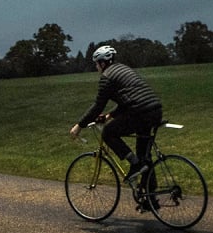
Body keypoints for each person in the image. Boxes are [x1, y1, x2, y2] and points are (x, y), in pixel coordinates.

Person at [69, 45, 163, 182]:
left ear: (102, 63)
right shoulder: (125, 69)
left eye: (96, 64)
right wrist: (109, 116)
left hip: (140, 114)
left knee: (108, 132)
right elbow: (127, 101)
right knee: (144, 157)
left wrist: (79, 126)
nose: (96, 67)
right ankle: (149, 199)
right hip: (155, 110)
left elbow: (97, 106)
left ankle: (135, 164)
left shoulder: (107, 77)